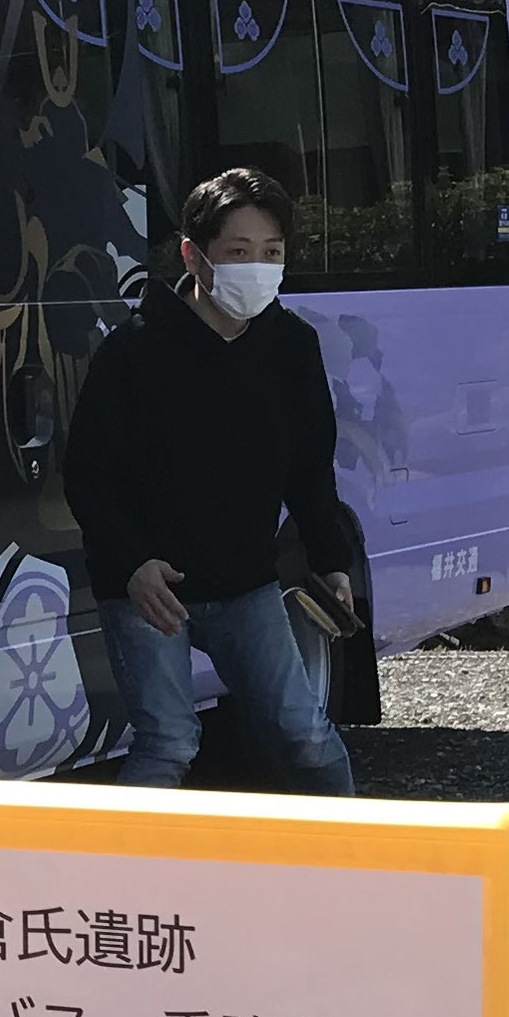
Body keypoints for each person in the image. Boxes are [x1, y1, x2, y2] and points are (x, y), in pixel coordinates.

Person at [63, 168, 365, 795]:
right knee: (169, 741)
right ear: (193, 257)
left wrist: (330, 559)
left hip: (246, 584)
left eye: (272, 252)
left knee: (305, 735)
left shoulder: (292, 347)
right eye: (238, 251)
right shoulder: (134, 351)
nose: (258, 266)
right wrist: (131, 564)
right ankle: (121, 888)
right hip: (150, 588)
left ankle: (356, 871)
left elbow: (310, 467)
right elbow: (87, 474)